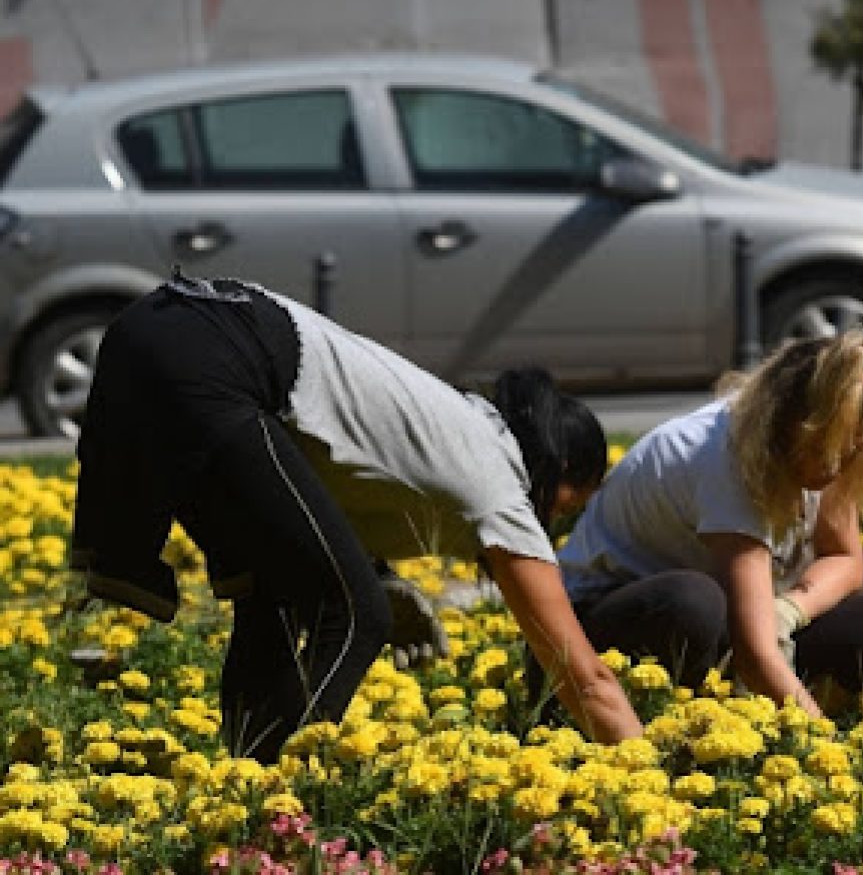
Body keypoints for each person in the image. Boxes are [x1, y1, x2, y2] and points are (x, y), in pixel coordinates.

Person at [70, 270, 645, 762]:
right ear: (560, 466)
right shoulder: (499, 483)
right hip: (216, 352)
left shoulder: (448, 424)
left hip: (153, 329)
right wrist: (654, 787)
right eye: (572, 506)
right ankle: (291, 798)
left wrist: (382, 572)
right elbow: (585, 678)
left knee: (269, 596)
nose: (560, 526)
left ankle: (248, 786)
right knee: (356, 613)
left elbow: (332, 491)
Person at [556, 331, 863, 718]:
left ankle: (758, 707)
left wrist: (790, 609)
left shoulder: (833, 440)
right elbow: (756, 652)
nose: (835, 468)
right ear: (790, 426)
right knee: (696, 604)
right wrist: (815, 744)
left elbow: (844, 559)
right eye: (824, 452)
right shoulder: (724, 456)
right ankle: (679, 723)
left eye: (854, 449)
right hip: (596, 626)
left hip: (725, 623)